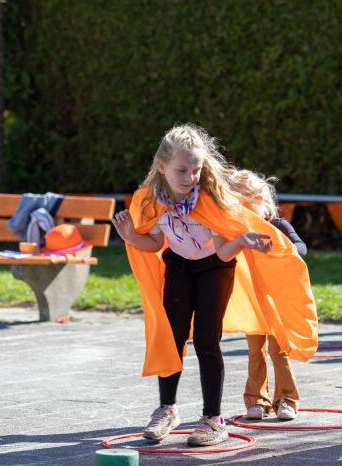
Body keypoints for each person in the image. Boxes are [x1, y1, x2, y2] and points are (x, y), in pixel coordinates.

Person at [112, 124, 318, 446]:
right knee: (173, 336)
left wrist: (244, 240)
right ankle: (167, 408)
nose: (190, 177)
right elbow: (154, 243)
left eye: (196, 170)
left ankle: (213, 419)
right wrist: (131, 237)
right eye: (182, 170)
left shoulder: (211, 200)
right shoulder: (153, 203)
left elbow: (223, 250)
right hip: (179, 267)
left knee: (208, 341)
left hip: (215, 268)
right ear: (162, 167)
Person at [229, 170, 306, 421]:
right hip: (253, 301)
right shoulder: (241, 231)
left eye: (248, 209)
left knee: (278, 350)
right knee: (255, 351)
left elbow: (300, 246)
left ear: (262, 199)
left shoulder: (279, 226)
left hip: (277, 301)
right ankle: (257, 400)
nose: (246, 217)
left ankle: (287, 399)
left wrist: (291, 249)